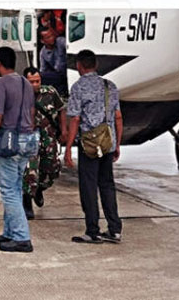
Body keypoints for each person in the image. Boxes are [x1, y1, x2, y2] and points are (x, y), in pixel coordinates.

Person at [0, 47, 38, 253]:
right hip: (28, 138)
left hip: (8, 140)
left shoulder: (1, 84)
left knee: (8, 190)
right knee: (15, 186)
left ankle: (22, 237)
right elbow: (31, 111)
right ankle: (10, 232)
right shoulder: (26, 83)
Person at [64, 50, 123, 244]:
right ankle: (114, 229)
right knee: (107, 185)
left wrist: (68, 147)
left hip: (89, 144)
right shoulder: (110, 86)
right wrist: (117, 144)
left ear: (79, 65)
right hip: (108, 141)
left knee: (88, 187)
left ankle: (93, 230)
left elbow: (75, 119)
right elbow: (118, 117)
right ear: (96, 65)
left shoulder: (78, 87)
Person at [22, 67, 66, 219]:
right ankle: (27, 204)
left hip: (48, 137)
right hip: (29, 139)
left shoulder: (50, 92)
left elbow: (61, 109)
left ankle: (39, 189)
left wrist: (63, 130)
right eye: (31, 82)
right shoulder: (20, 95)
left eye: (37, 81)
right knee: (29, 172)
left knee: (51, 169)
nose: (35, 85)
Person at [39, 27, 68, 97]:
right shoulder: (43, 53)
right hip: (58, 75)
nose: (52, 38)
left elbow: (68, 46)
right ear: (42, 41)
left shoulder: (60, 41)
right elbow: (43, 69)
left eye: (52, 35)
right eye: (48, 37)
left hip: (68, 70)